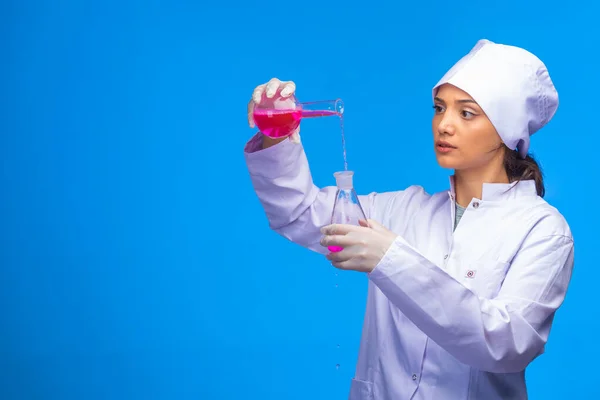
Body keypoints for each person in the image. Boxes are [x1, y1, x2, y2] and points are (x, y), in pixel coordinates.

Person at [243, 39, 574, 400]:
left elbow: (506, 344)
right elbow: (299, 214)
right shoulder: (404, 209)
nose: (443, 125)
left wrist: (391, 258)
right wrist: (276, 137)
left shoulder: (543, 230)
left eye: (466, 113)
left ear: (507, 131)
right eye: (438, 108)